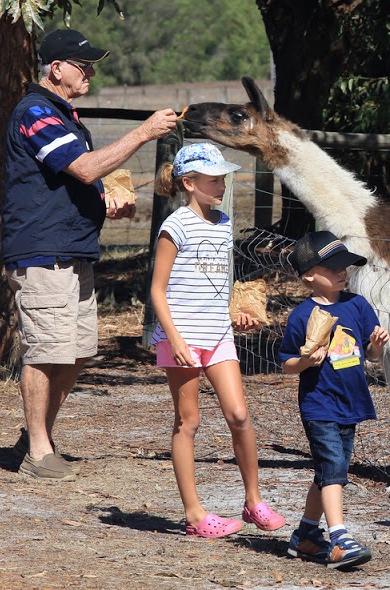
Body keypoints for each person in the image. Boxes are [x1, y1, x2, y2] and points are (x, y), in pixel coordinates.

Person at [5, 29, 178, 481]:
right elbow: (83, 167)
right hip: (44, 252)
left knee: (77, 352)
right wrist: (143, 132)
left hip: (73, 251)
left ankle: (36, 435)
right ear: (56, 68)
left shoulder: (63, 115)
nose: (92, 74)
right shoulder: (36, 111)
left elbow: (72, 180)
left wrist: (104, 200)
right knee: (46, 352)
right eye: (83, 66)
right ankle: (37, 452)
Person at [149, 143, 286, 538]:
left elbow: (216, 285)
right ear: (189, 183)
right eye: (213, 180)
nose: (221, 185)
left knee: (239, 415)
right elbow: (157, 291)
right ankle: (194, 515)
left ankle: (253, 502)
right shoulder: (174, 226)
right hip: (181, 338)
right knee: (187, 422)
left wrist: (235, 313)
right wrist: (173, 338)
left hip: (218, 334)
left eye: (223, 178)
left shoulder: (224, 221)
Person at [279, 230, 390, 570]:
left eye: (346, 266)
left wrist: (377, 344)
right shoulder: (301, 316)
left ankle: (306, 536)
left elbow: (369, 354)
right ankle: (339, 537)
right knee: (334, 470)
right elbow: (287, 364)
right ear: (310, 275)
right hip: (319, 405)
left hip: (351, 402)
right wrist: (306, 362)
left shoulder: (357, 304)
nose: (343, 272)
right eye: (334, 268)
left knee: (327, 471)